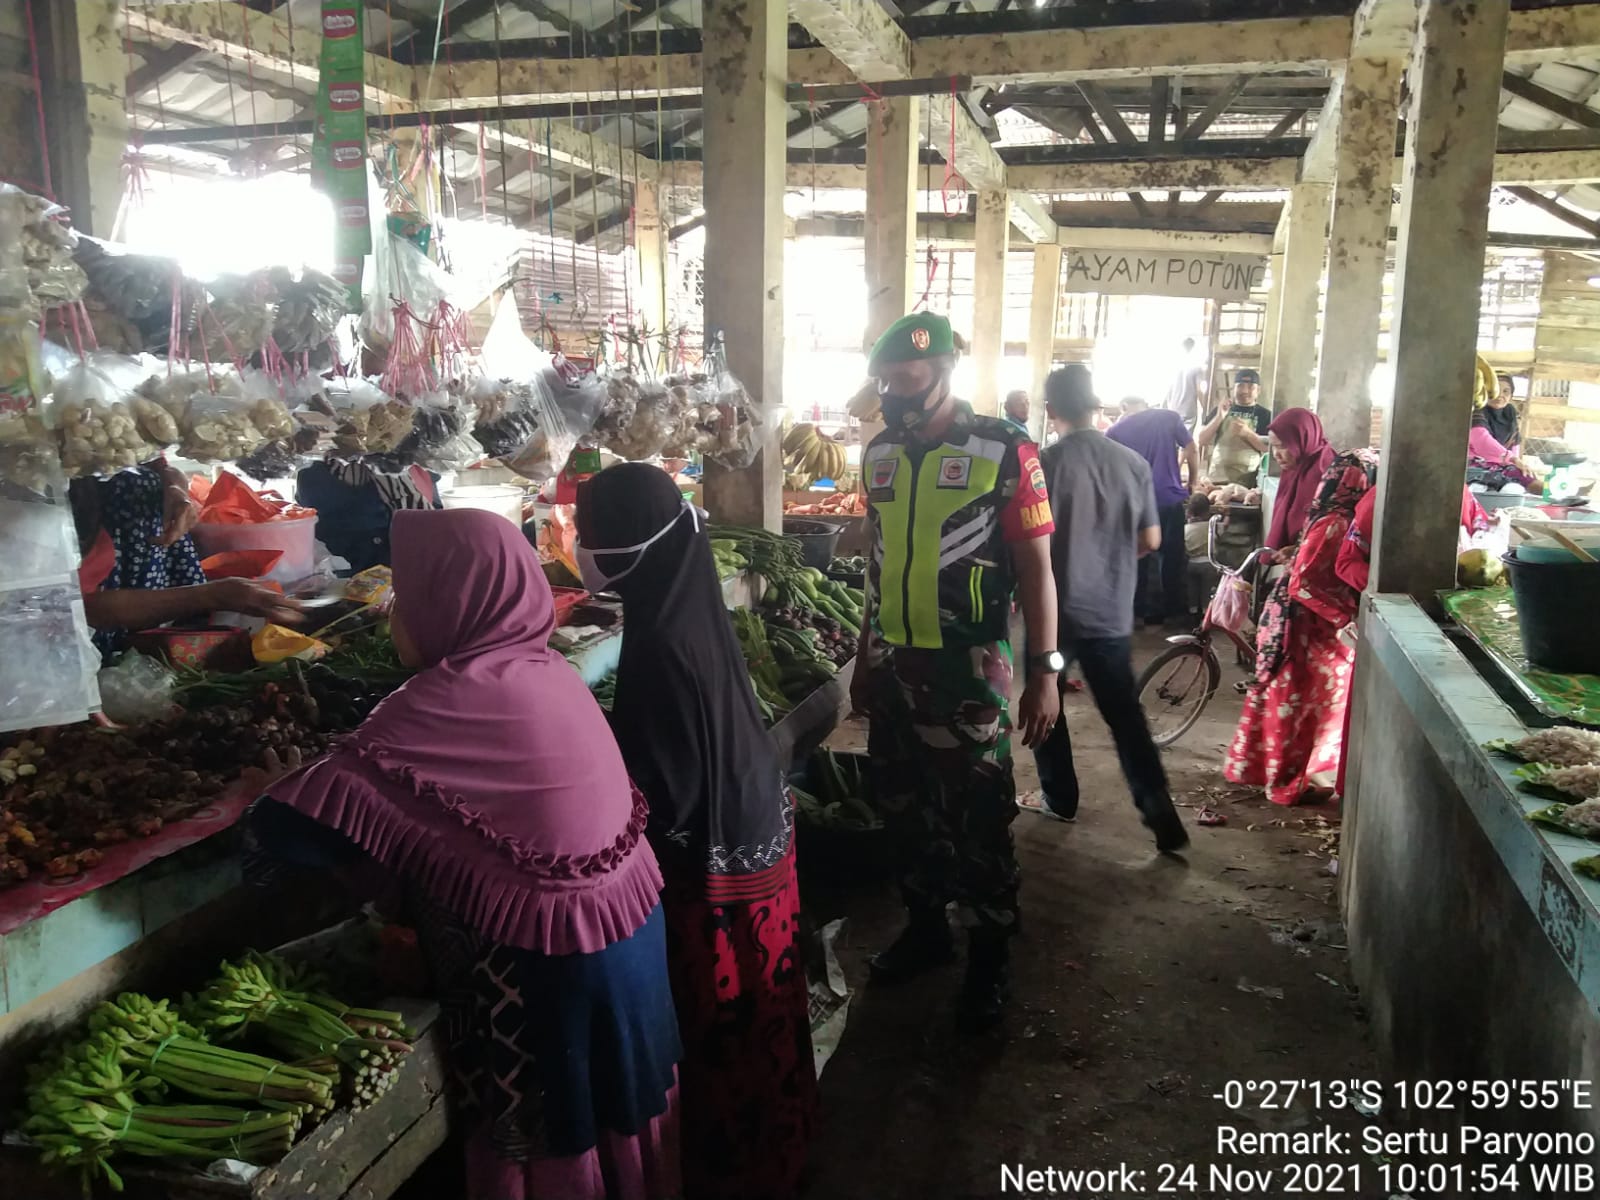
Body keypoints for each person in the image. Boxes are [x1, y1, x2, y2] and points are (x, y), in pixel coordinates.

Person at [251, 509, 682, 1200]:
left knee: (549, 1144)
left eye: (406, 598)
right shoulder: (549, 672)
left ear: (449, 601)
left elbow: (282, 838)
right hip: (630, 958)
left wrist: (265, 788)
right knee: (611, 1135)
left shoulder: (441, 701)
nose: (395, 615)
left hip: (551, 982)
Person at [574, 463, 815, 1200]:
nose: (581, 553)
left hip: (712, 867)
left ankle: (736, 1173)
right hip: (751, 834)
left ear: (628, 549)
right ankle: (780, 1151)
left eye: (591, 540)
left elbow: (660, 794)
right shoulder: (683, 605)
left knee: (725, 1019)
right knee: (762, 1011)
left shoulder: (665, 648)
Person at [851, 311, 1060, 1033]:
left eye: (908, 381)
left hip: (970, 669)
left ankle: (989, 956)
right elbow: (875, 567)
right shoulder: (877, 453)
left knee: (977, 819)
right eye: (887, 382)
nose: (896, 394)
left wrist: (1046, 671)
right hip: (890, 664)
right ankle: (926, 927)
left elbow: (1037, 569)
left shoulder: (1004, 450)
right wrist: (861, 655)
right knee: (903, 807)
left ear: (944, 374)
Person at [1020, 366, 1189, 852]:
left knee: (1044, 704)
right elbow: (1150, 539)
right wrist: (1109, 557)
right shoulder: (1132, 463)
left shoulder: (1041, 464)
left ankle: (1060, 797)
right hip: (1111, 615)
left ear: (1051, 411)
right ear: (1094, 408)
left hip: (1053, 622)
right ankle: (1159, 811)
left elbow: (1025, 544)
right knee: (1125, 716)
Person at [1225, 451, 1377, 806]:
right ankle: (1288, 782)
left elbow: (1305, 567)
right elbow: (1304, 584)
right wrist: (1344, 616)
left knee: (1282, 700)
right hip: (1306, 628)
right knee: (1303, 707)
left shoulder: (1327, 515)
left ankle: (1264, 771)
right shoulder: (1339, 522)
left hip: (1292, 622)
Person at [72, 463, 301, 655]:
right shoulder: (61, 512)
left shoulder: (107, 443)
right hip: (86, 633)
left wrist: (177, 490)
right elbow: (83, 609)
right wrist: (212, 595)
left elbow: (160, 467)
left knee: (142, 482)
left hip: (135, 573)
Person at [1108, 395, 1201, 625]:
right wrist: (1193, 482)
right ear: (1146, 404)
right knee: (1172, 556)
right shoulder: (1168, 417)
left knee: (1137, 556)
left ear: (1124, 407)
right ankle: (1173, 613)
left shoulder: (1115, 431)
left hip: (1135, 503)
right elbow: (1191, 448)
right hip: (1168, 498)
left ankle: (1137, 613)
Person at [1262, 409, 1336, 554]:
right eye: (1274, 446)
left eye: (1283, 446)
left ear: (1302, 439)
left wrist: (1297, 550)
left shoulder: (1322, 472)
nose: (1276, 454)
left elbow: (1325, 531)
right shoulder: (1296, 466)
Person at [1197, 368, 1273, 486]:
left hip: (1247, 481)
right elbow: (1201, 440)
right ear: (1234, 389)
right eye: (1240, 386)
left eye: (1250, 387)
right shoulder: (1221, 409)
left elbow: (1268, 449)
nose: (1244, 391)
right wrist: (1219, 417)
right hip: (1217, 478)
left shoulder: (1265, 415)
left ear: (1258, 390)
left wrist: (1248, 434)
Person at [1163, 337, 1206, 427]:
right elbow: (1199, 390)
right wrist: (1205, 409)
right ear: (1194, 348)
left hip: (1173, 410)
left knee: (1173, 439)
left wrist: (1164, 407)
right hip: (1188, 412)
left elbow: (1168, 390)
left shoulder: (1174, 365)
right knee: (1185, 440)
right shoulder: (1197, 367)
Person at [1482, 372, 1521, 453]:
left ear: (1511, 395)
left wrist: (1514, 462)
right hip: (1477, 462)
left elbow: (1515, 445)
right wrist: (1510, 459)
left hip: (1504, 461)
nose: (1499, 395)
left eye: (1506, 391)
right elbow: (1483, 443)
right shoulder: (1477, 412)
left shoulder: (1510, 412)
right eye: (1495, 390)